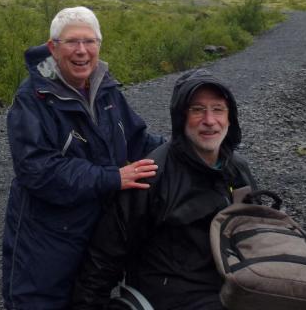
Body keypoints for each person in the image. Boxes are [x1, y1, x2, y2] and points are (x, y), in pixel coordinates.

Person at [2, 6, 164, 309]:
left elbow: (138, 140)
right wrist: (113, 177)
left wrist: (185, 151)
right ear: (53, 48)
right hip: (46, 241)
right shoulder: (32, 99)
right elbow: (37, 170)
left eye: (89, 41)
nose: (82, 51)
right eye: (72, 42)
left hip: (97, 235)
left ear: (99, 45)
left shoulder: (107, 91)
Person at [71, 68, 258, 310]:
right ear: (181, 118)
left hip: (232, 288)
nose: (210, 121)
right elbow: (104, 257)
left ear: (230, 117)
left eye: (218, 109)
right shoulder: (152, 175)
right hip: (168, 297)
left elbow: (254, 238)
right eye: (197, 110)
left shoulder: (238, 170)